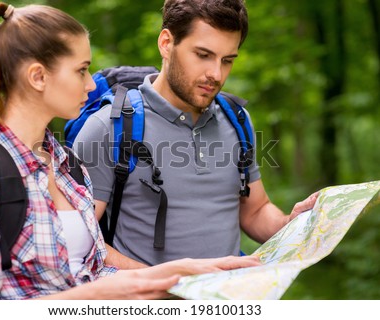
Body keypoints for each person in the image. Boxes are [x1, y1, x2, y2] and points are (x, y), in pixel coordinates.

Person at [0, 2, 260, 300]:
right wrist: (103, 292)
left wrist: (180, 276)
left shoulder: (65, 164)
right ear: (37, 76)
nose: (92, 85)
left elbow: (87, 270)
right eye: (81, 70)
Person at [73, 0, 319, 267]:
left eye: (227, 60)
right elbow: (83, 244)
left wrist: (291, 224)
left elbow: (255, 211)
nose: (216, 73)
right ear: (166, 43)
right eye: (203, 55)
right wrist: (169, 284)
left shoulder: (237, 120)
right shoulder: (109, 127)